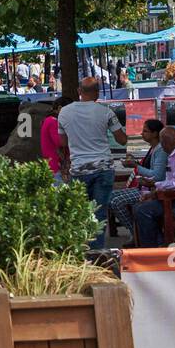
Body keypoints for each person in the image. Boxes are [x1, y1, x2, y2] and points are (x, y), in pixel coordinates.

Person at [57, 77, 127, 249]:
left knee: (81, 213)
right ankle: (97, 253)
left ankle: (82, 249)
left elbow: (63, 142)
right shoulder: (106, 111)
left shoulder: (64, 112)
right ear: (97, 93)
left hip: (79, 169)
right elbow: (122, 140)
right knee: (99, 213)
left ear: (79, 91)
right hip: (103, 168)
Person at [132, 127, 175, 246]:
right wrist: (154, 191)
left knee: (143, 210)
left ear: (165, 143)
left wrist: (155, 186)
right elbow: (171, 180)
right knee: (139, 206)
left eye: (162, 142)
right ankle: (158, 243)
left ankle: (151, 248)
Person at [110, 119, 167, 232]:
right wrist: (135, 163)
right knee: (110, 196)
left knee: (116, 201)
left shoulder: (160, 151)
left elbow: (157, 175)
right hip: (144, 186)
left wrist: (136, 166)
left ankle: (135, 232)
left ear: (155, 133)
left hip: (150, 189)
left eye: (145, 131)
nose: (142, 134)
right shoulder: (153, 148)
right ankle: (135, 230)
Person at [39, 95, 73, 180]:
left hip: (56, 167)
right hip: (56, 168)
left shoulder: (50, 120)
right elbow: (60, 142)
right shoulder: (53, 121)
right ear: (60, 108)